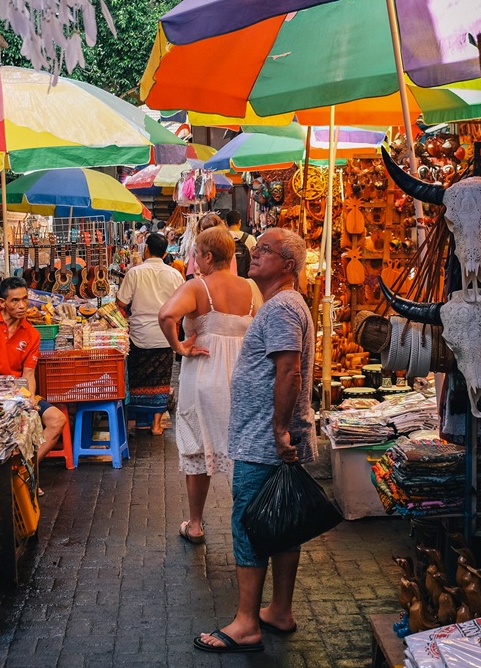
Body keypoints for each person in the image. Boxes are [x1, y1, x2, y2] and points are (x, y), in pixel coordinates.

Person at [195, 228, 315, 654]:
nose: (255, 253)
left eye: (267, 250)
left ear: (288, 265)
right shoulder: (283, 303)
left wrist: (279, 430)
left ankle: (247, 623)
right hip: (272, 437)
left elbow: (289, 371)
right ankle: (279, 610)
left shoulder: (281, 306)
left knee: (249, 523)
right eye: (256, 247)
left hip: (265, 440)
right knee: (282, 523)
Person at [158, 226, 263, 545]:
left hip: (203, 377)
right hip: (243, 379)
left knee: (196, 451)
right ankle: (247, 523)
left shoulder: (197, 287)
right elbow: (258, 329)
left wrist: (178, 347)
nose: (194, 261)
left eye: (195, 254)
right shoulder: (251, 287)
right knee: (241, 454)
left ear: (207, 256)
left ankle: (195, 524)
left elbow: (166, 315)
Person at [0, 277, 66, 478]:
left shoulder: (31, 334)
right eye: (15, 301)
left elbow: (29, 372)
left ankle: (22, 473)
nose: (22, 306)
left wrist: (30, 399)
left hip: (18, 393)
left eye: (25, 299)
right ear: (2, 303)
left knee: (57, 420)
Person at [117, 233, 185, 436]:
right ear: (165, 253)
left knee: (138, 379)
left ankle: (138, 422)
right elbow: (182, 304)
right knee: (161, 380)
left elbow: (121, 302)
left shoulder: (135, 273)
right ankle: (156, 424)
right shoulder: (174, 275)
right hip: (165, 335)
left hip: (139, 335)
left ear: (146, 249)